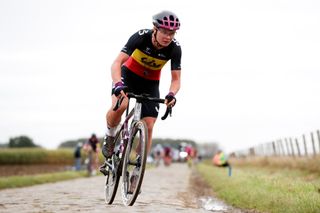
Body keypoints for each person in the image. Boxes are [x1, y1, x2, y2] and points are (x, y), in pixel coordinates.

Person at [101, 11, 182, 161]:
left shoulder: (175, 48)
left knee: (149, 125)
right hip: (128, 76)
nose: (168, 37)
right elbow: (116, 63)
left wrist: (171, 94)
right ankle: (110, 135)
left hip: (150, 83)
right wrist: (118, 84)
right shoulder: (141, 37)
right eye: (164, 32)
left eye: (172, 33)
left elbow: (176, 80)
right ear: (155, 28)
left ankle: (139, 164)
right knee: (121, 105)